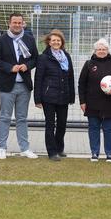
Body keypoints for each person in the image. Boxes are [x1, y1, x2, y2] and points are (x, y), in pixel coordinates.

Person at [0, 12, 39, 159]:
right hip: (7, 86)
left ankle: (24, 148)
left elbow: (35, 59)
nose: (17, 25)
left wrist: (27, 65)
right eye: (15, 23)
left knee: (22, 118)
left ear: (23, 23)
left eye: (20, 23)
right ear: (9, 23)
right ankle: (1, 147)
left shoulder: (30, 39)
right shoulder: (1, 40)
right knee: (5, 117)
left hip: (24, 86)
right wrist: (10, 68)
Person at [78, 38, 111, 162]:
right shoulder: (89, 64)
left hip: (110, 103)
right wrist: (82, 101)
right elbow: (81, 84)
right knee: (93, 128)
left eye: (104, 49)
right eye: (99, 49)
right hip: (92, 102)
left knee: (109, 129)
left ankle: (109, 153)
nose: (101, 51)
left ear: (108, 51)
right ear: (95, 51)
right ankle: (94, 152)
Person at [34, 29, 75, 161]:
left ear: (62, 42)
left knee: (62, 124)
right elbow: (38, 78)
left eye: (58, 40)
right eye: (53, 40)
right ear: (49, 42)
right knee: (50, 124)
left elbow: (71, 77)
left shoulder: (66, 56)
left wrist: (72, 96)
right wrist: (37, 99)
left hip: (64, 96)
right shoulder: (43, 58)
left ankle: (59, 148)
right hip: (48, 97)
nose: (56, 42)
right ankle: (52, 152)